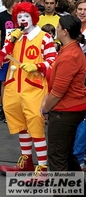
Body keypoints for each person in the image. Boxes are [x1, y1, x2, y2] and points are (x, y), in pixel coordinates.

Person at [0, 2, 56, 176]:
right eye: (19, 17)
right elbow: (3, 60)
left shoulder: (44, 37)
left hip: (34, 89)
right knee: (21, 125)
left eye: (26, 16)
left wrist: (37, 66)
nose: (22, 20)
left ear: (33, 18)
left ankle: (43, 168)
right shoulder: (13, 37)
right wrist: (10, 42)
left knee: (36, 127)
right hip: (14, 87)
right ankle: (26, 161)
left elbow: (53, 62)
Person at [41, 15, 86, 174]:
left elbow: (59, 91)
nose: (56, 29)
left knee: (57, 157)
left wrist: (45, 109)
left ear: (65, 32)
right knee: (66, 155)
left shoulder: (69, 55)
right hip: (70, 108)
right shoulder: (70, 50)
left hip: (66, 110)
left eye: (58, 27)